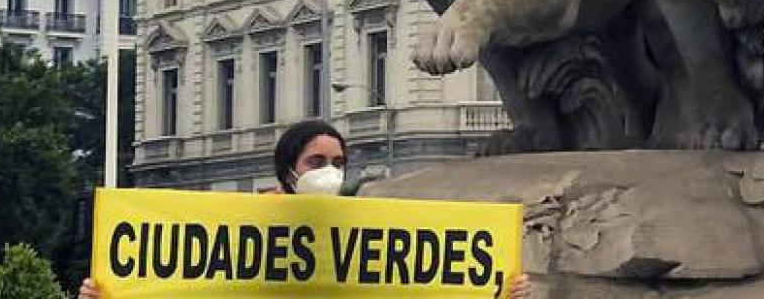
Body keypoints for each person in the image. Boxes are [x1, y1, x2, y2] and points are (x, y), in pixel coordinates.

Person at [79, 120, 532, 298]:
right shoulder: (237, 231)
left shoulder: (373, 235)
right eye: (317, 162)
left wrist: (505, 296)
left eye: (339, 163)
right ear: (288, 171)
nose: (330, 172)